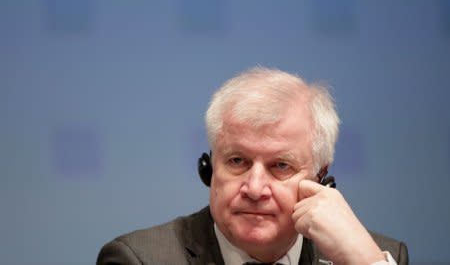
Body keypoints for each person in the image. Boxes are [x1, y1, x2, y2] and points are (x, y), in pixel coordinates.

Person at [97, 67, 408, 265]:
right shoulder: (139, 259)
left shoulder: (377, 255)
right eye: (237, 161)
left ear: (321, 180)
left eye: (281, 166)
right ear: (209, 169)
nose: (255, 188)